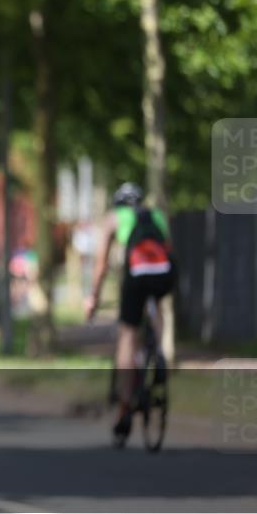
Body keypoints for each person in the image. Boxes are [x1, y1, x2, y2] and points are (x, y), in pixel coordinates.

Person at [84, 182, 174, 443]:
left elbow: (101, 264)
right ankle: (159, 353)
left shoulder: (114, 217)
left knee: (127, 333)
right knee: (156, 306)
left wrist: (94, 297)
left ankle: (125, 405)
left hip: (135, 275)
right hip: (163, 274)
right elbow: (169, 250)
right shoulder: (157, 215)